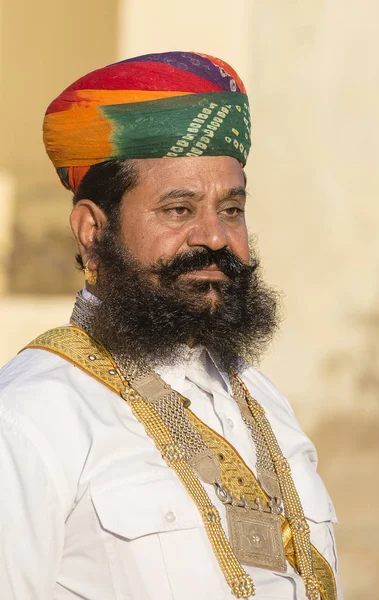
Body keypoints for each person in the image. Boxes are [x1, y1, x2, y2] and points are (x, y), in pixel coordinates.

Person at [0, 52, 342, 600]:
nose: (214, 236)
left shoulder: (263, 401)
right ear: (92, 230)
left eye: (231, 209)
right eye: (179, 210)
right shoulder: (30, 418)